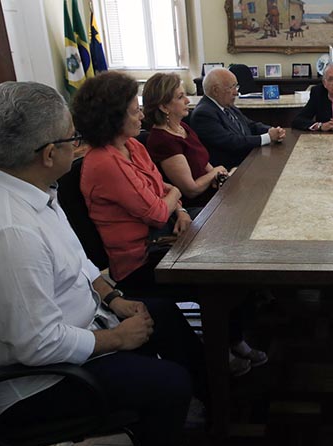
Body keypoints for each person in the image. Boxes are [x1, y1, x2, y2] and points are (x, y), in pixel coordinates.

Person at [0, 81, 208, 446]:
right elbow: (37, 346)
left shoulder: (29, 187)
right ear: (49, 153)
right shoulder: (7, 232)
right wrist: (118, 337)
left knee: (164, 316)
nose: (80, 145)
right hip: (32, 386)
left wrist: (115, 299)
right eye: (74, 138)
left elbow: (78, 263)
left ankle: (211, 402)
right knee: (170, 384)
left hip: (76, 330)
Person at [71, 72, 266, 376]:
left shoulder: (132, 146)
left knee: (238, 255)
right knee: (226, 275)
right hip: (140, 261)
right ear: (112, 117)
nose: (140, 114)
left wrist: (179, 210)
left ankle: (233, 340)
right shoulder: (104, 162)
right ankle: (218, 359)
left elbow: (160, 188)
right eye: (133, 110)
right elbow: (158, 207)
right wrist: (174, 201)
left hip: (162, 238)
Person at [142, 72, 229, 208]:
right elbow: (191, 190)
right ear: (164, 107)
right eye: (180, 97)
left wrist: (218, 176)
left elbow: (205, 164)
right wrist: (215, 172)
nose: (187, 101)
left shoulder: (183, 127)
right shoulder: (162, 141)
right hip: (198, 207)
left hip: (211, 195)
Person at [190, 68, 286, 170]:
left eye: (236, 87)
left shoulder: (226, 105)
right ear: (216, 90)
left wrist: (272, 130)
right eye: (232, 87)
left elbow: (250, 125)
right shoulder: (204, 114)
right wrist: (268, 137)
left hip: (248, 160)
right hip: (232, 169)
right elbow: (232, 142)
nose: (236, 92)